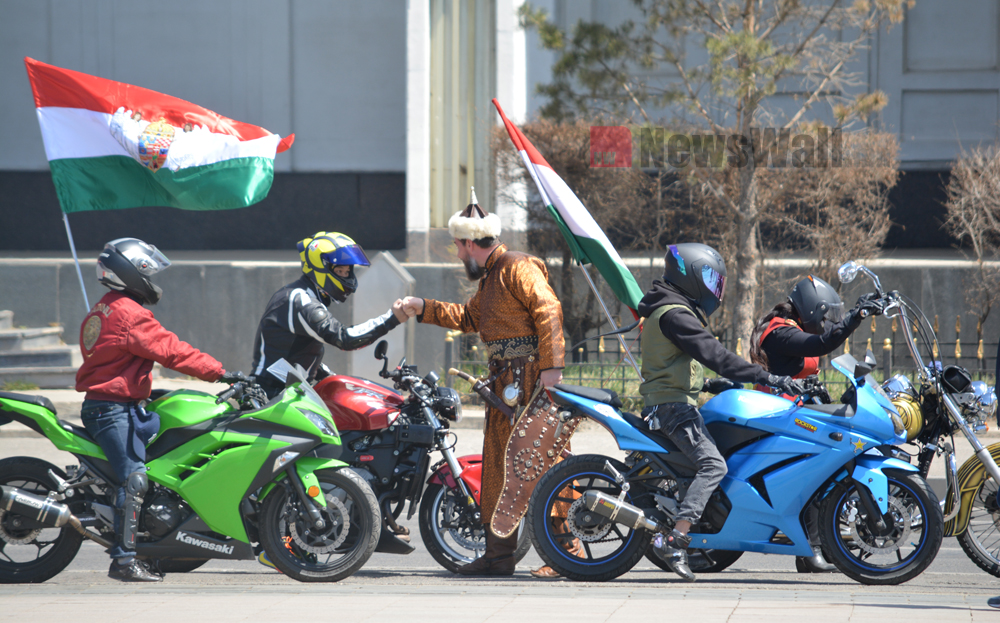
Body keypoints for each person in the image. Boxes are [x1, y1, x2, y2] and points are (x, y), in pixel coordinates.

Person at [399, 190, 569, 578]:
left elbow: (548, 310)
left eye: (459, 247)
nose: (458, 255)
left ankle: (566, 551)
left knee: (543, 461)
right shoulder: (492, 277)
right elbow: (468, 318)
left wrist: (551, 368)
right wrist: (422, 307)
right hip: (505, 387)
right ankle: (498, 556)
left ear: (470, 242)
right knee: (497, 469)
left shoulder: (517, 266)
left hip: (531, 382)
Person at [76, 238, 239, 582]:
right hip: (113, 410)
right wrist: (220, 372)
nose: (152, 280)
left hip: (118, 406)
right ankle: (123, 560)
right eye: (148, 272)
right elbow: (171, 350)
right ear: (131, 273)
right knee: (134, 479)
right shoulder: (130, 314)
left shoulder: (105, 307)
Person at [637, 243, 802, 582]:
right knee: (713, 465)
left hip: (670, 401)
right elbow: (714, 354)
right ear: (693, 275)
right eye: (711, 279)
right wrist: (767, 376)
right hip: (672, 408)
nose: (715, 288)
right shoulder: (676, 314)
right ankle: (676, 539)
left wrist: (709, 384)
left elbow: (670, 365)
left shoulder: (669, 309)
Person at [748, 275, 883, 573]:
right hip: (776, 420)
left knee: (829, 465)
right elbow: (822, 343)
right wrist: (856, 317)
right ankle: (811, 551)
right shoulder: (780, 333)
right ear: (810, 309)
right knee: (816, 473)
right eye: (823, 316)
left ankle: (824, 543)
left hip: (793, 415)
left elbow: (824, 339)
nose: (825, 323)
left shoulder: (790, 328)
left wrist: (859, 310)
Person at [250, 231, 408, 398]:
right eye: (339, 270)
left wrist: (333, 379)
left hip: (290, 392)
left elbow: (297, 352)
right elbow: (344, 338)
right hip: (270, 395)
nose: (345, 276)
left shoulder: (308, 296)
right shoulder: (299, 299)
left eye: (347, 271)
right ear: (320, 267)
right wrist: (391, 318)